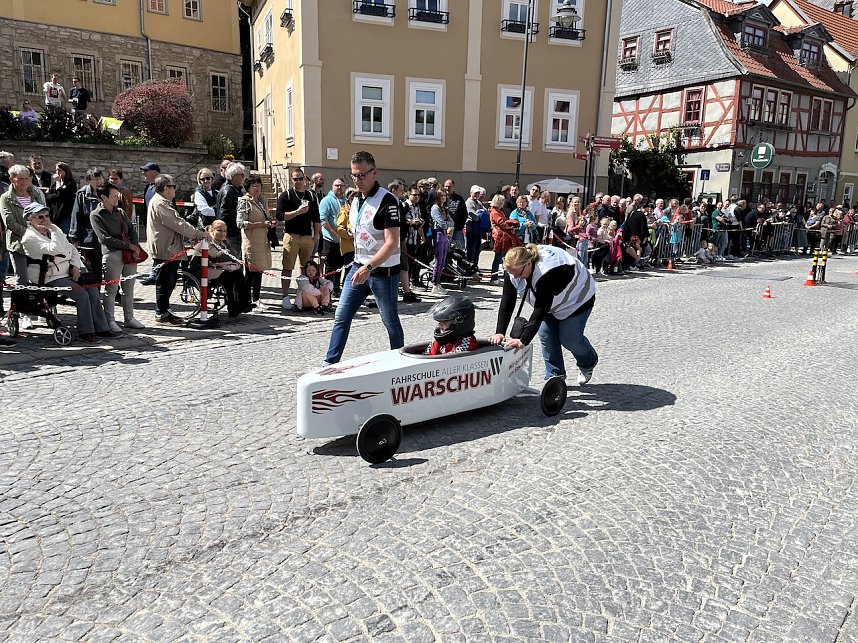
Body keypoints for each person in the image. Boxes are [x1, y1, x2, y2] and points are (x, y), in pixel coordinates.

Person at [324, 151, 404, 365]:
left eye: (362, 175)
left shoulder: (388, 200)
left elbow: (391, 242)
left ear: (374, 173)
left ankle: (400, 363)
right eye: (354, 176)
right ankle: (329, 364)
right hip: (358, 267)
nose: (358, 180)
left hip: (383, 273)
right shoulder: (356, 200)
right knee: (341, 315)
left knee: (390, 321)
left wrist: (369, 266)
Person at [490, 243, 597, 385]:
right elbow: (507, 299)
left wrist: (523, 341)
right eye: (512, 274)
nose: (516, 278)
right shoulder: (513, 266)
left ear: (528, 264)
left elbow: (540, 309)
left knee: (570, 339)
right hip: (550, 301)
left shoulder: (547, 272)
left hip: (577, 299)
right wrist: (500, 332)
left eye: (518, 274)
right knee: (546, 334)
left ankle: (588, 362)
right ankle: (555, 376)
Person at [21, 203, 117, 343]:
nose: (45, 220)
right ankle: (86, 331)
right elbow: (54, 249)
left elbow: (72, 249)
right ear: (30, 220)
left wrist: (75, 266)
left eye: (47, 216)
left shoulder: (54, 230)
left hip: (67, 271)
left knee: (93, 290)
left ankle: (102, 328)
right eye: (40, 217)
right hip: (49, 276)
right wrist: (53, 231)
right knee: (81, 294)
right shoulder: (30, 237)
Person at [146, 174, 210, 324]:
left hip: (170, 248)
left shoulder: (164, 202)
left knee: (170, 282)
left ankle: (165, 311)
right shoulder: (161, 203)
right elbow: (177, 224)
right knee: (164, 282)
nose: (175, 189)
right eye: (173, 186)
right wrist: (198, 234)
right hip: (165, 249)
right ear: (166, 188)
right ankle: (161, 313)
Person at [90, 183, 145, 331]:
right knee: (111, 289)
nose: (117, 198)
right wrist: (128, 246)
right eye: (114, 196)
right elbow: (104, 238)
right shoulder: (96, 215)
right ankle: (110, 320)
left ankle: (130, 318)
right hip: (112, 254)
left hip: (129, 254)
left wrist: (135, 247)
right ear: (104, 198)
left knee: (129, 288)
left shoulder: (120, 212)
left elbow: (132, 230)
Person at [1, 164, 47, 331]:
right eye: (20, 178)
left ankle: (44, 306)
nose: (24, 182)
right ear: (11, 179)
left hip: (39, 243)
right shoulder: (6, 198)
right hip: (18, 244)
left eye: (26, 178)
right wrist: (30, 232)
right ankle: (24, 314)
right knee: (23, 279)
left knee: (42, 277)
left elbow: (45, 214)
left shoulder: (36, 194)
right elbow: (10, 222)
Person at [277, 167, 320, 310]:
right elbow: (280, 216)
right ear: (291, 180)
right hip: (291, 236)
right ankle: (285, 296)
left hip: (307, 237)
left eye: (301, 178)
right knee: (287, 267)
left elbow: (316, 219)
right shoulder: (286, 195)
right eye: (295, 179)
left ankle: (302, 295)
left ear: (305, 179)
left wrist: (316, 236)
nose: (298, 181)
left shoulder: (312, 196)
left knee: (306, 268)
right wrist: (297, 212)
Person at [190, 219, 250, 318]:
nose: (222, 233)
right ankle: (232, 306)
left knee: (238, 274)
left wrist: (230, 254)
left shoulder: (224, 242)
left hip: (215, 267)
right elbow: (216, 255)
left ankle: (244, 302)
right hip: (200, 269)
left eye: (224, 231)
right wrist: (227, 252)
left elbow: (232, 255)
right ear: (212, 230)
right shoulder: (207, 241)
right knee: (227, 277)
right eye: (219, 230)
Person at [236, 174, 274, 306]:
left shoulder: (262, 201)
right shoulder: (244, 201)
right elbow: (240, 223)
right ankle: (246, 300)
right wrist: (260, 224)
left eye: (258, 185)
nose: (257, 188)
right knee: (251, 272)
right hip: (251, 242)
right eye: (254, 186)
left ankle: (256, 299)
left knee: (259, 271)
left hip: (262, 241)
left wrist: (270, 223)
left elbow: (266, 218)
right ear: (248, 188)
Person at [69, 167, 105, 282]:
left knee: (109, 269)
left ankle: (114, 293)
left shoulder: (107, 192)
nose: (98, 182)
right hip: (89, 238)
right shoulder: (82, 194)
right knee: (94, 270)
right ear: (88, 180)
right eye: (94, 179)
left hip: (106, 237)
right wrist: (74, 237)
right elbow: (76, 215)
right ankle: (95, 295)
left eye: (99, 178)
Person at [319, 179, 346, 295]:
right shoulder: (326, 200)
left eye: (341, 185)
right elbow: (323, 219)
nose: (339, 188)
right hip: (329, 239)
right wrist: (332, 232)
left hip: (343, 240)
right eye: (337, 185)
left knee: (339, 266)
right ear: (332, 186)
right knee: (329, 266)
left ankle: (336, 289)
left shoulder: (346, 201)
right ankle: (327, 290)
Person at [489, 194, 521, 285]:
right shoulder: (495, 212)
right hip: (499, 237)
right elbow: (502, 224)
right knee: (498, 258)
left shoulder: (499, 211)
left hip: (502, 236)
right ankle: (494, 278)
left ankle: (501, 276)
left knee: (503, 257)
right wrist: (511, 226)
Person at [215, 161, 246, 252]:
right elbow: (224, 213)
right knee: (233, 259)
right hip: (231, 234)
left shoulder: (235, 189)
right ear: (235, 176)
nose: (243, 177)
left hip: (234, 232)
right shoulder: (228, 191)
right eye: (242, 174)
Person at [430, 189, 453, 296]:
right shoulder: (435, 208)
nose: (443, 197)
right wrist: (448, 225)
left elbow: (451, 221)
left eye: (445, 195)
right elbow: (440, 222)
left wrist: (448, 225)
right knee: (438, 260)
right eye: (441, 196)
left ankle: (438, 283)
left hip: (444, 234)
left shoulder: (445, 208)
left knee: (443, 260)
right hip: (438, 234)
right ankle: (434, 283)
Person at [45, 162, 76, 234]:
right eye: (56, 170)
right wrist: (55, 195)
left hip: (65, 215)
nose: (57, 173)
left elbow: (61, 195)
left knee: (65, 235)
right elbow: (48, 196)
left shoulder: (70, 183)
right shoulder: (54, 183)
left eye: (60, 170)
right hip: (55, 214)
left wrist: (58, 182)